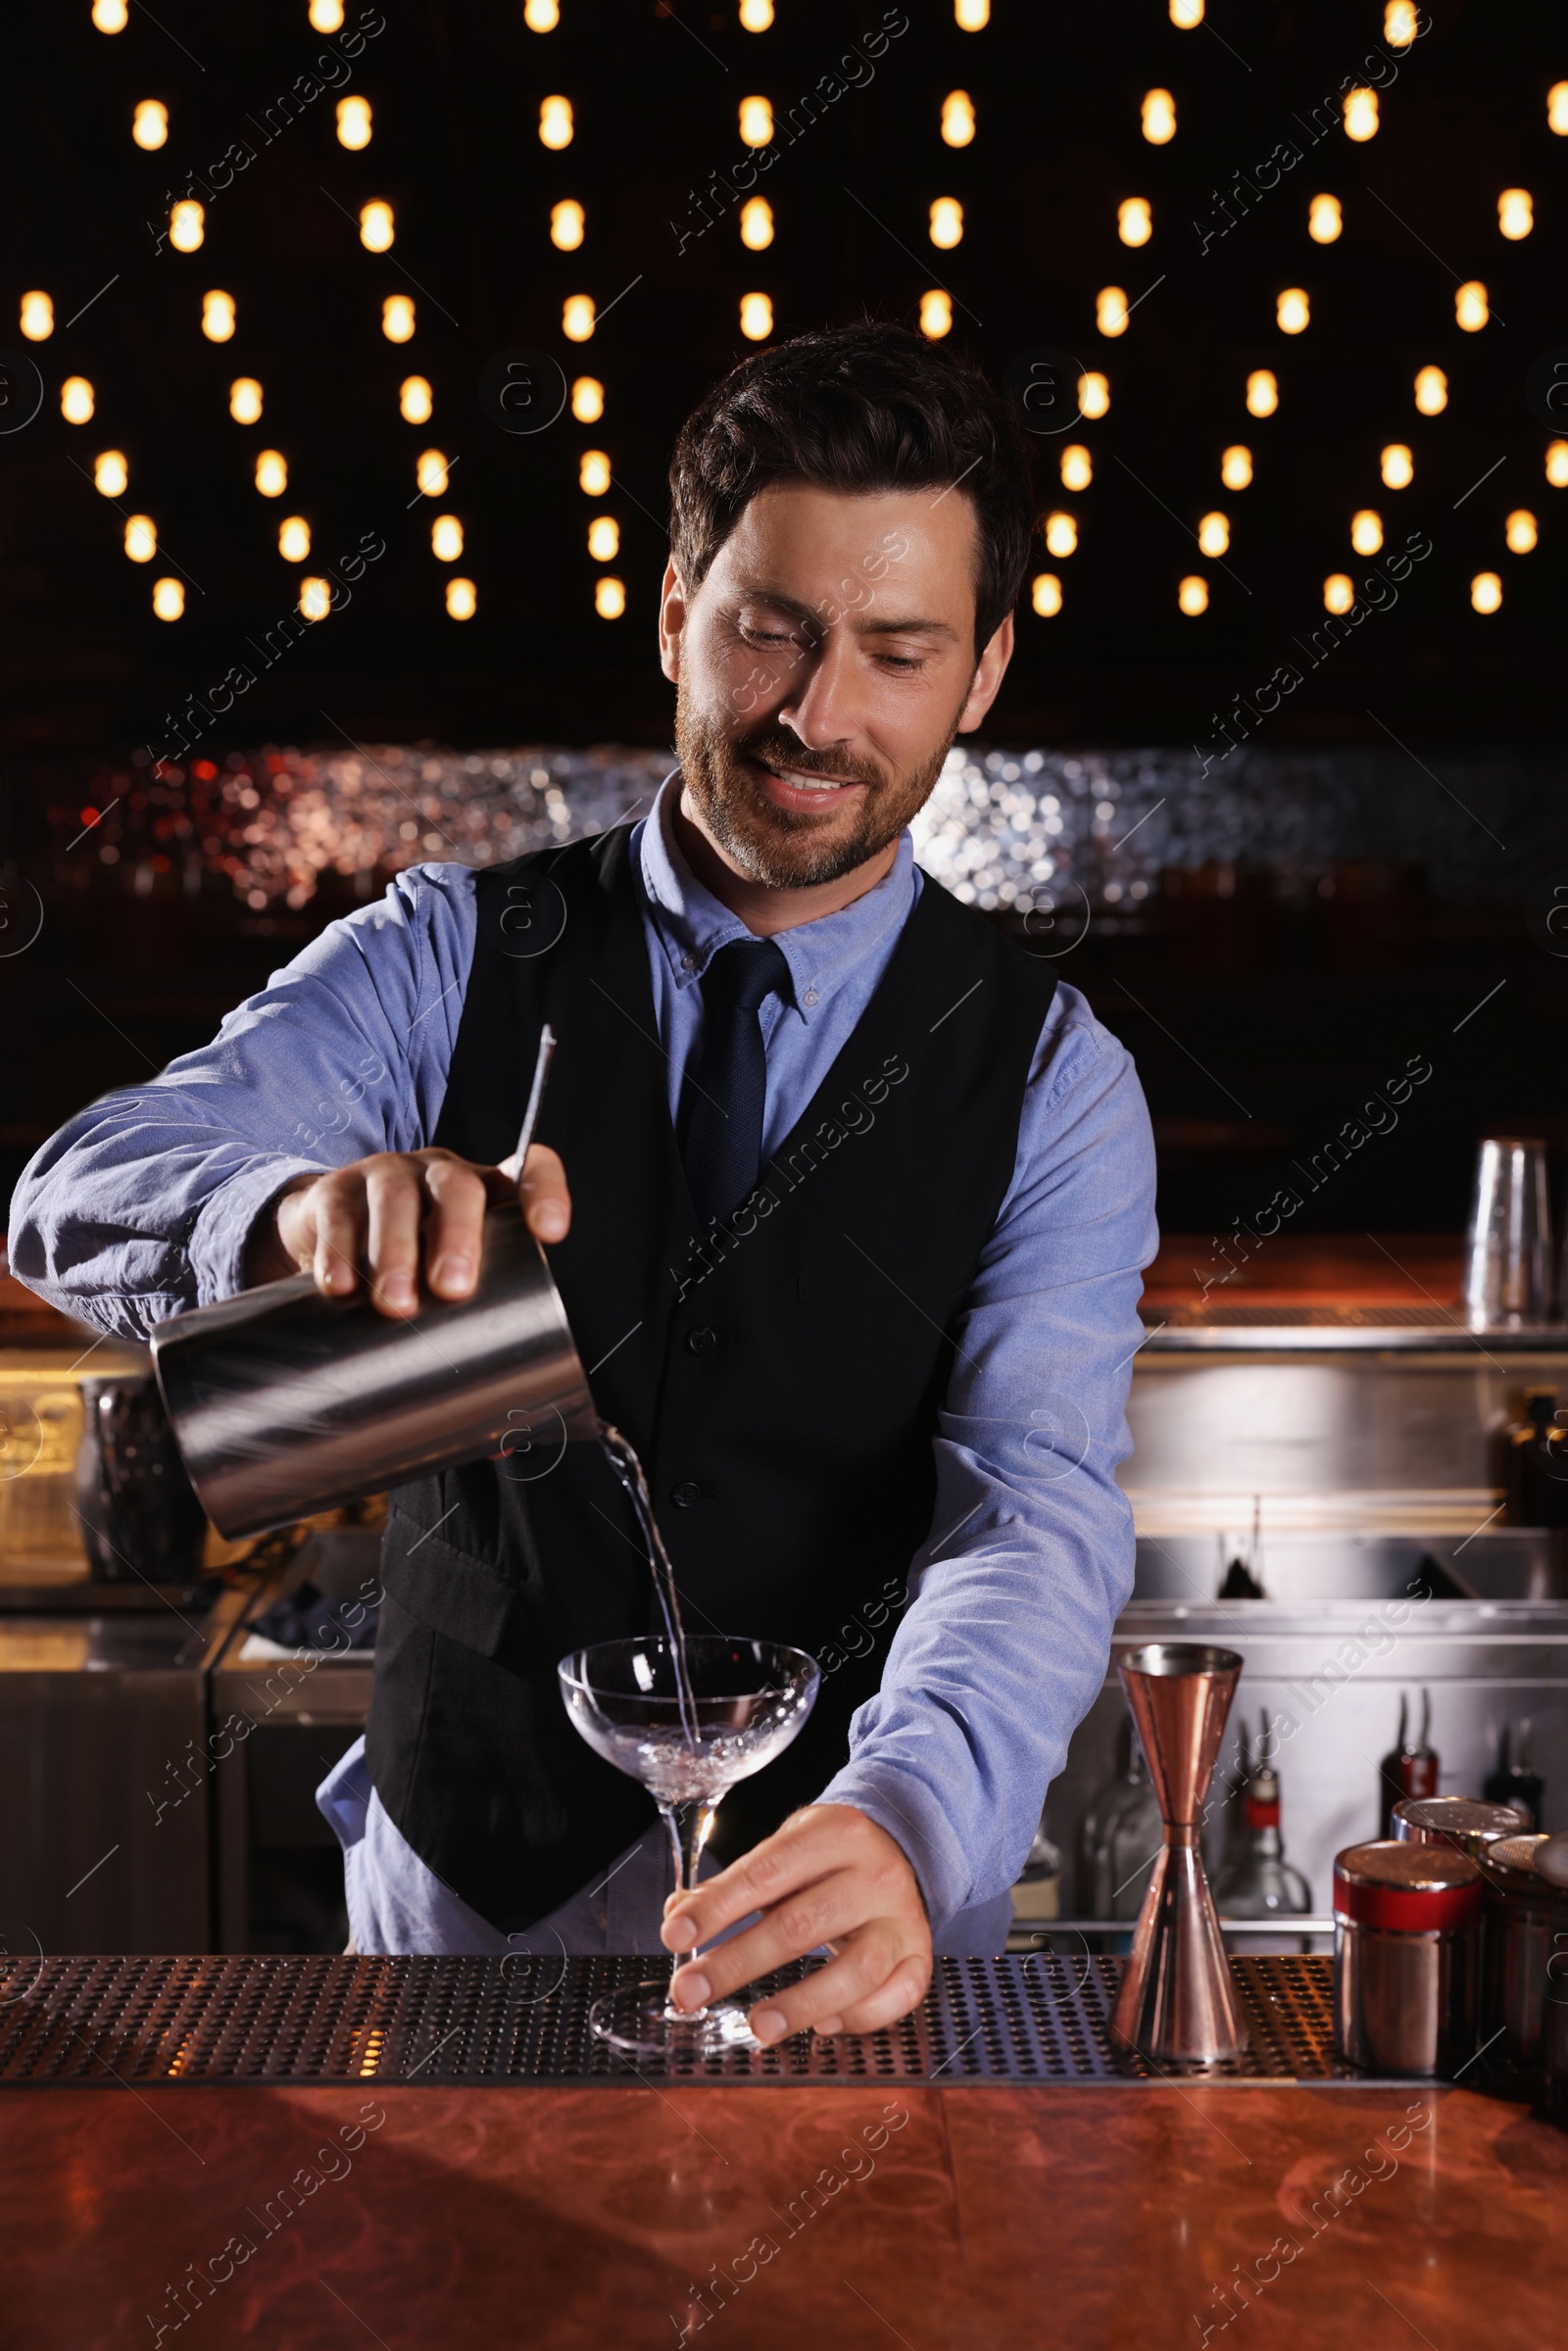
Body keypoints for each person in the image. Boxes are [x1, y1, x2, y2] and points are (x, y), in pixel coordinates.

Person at [10, 321, 1156, 2046]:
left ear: (983, 672)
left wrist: (912, 1815)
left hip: (842, 1924)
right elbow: (68, 1188)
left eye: (898, 651)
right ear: (678, 601)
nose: (817, 714)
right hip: (466, 1900)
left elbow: (1033, 1513)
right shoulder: (447, 955)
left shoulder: (1056, 1078)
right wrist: (281, 1218)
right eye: (768, 628)